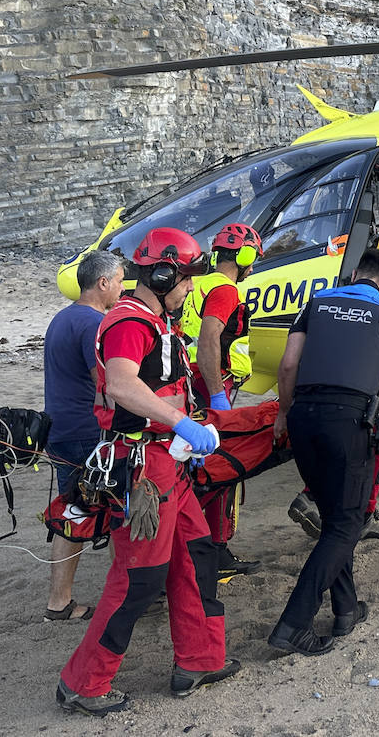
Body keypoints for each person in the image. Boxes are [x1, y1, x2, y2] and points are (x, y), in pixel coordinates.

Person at [57, 228, 239, 715]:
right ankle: (82, 683)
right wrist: (184, 425)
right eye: (186, 280)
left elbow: (158, 388)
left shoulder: (156, 324)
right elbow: (120, 384)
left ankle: (199, 660)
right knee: (139, 577)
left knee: (196, 557)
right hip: (142, 471)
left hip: (165, 465)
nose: (190, 289)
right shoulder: (129, 323)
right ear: (162, 274)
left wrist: (185, 431)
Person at [268, 248, 379, 656]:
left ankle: (346, 608)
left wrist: (283, 411)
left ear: (354, 276)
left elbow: (289, 365)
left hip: (303, 415)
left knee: (334, 516)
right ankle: (293, 623)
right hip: (349, 420)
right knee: (347, 523)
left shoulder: (317, 302)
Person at [286, 240, 379, 542]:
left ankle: (313, 498)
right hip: (361, 393)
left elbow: (290, 363)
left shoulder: (324, 298)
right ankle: (361, 516)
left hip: (309, 396)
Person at [43, 250, 125, 623]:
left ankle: (59, 602)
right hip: (85, 431)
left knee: (72, 510)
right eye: (120, 281)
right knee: (114, 509)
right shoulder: (93, 323)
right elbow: (106, 386)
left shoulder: (61, 318)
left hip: (59, 428)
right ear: (102, 282)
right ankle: (121, 594)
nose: (123, 289)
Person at [181, 222, 264, 577]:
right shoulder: (226, 290)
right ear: (244, 255)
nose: (253, 265)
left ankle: (198, 548)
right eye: (253, 258)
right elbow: (210, 338)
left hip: (189, 386)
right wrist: (217, 394)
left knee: (193, 468)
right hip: (208, 388)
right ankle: (214, 551)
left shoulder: (196, 283)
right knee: (220, 468)